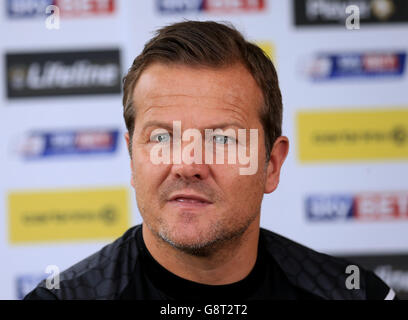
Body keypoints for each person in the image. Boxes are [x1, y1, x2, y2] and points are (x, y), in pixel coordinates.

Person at [25, 20, 396, 300]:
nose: (188, 165)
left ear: (271, 164)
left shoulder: (355, 294)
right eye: (161, 137)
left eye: (222, 139)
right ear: (131, 157)